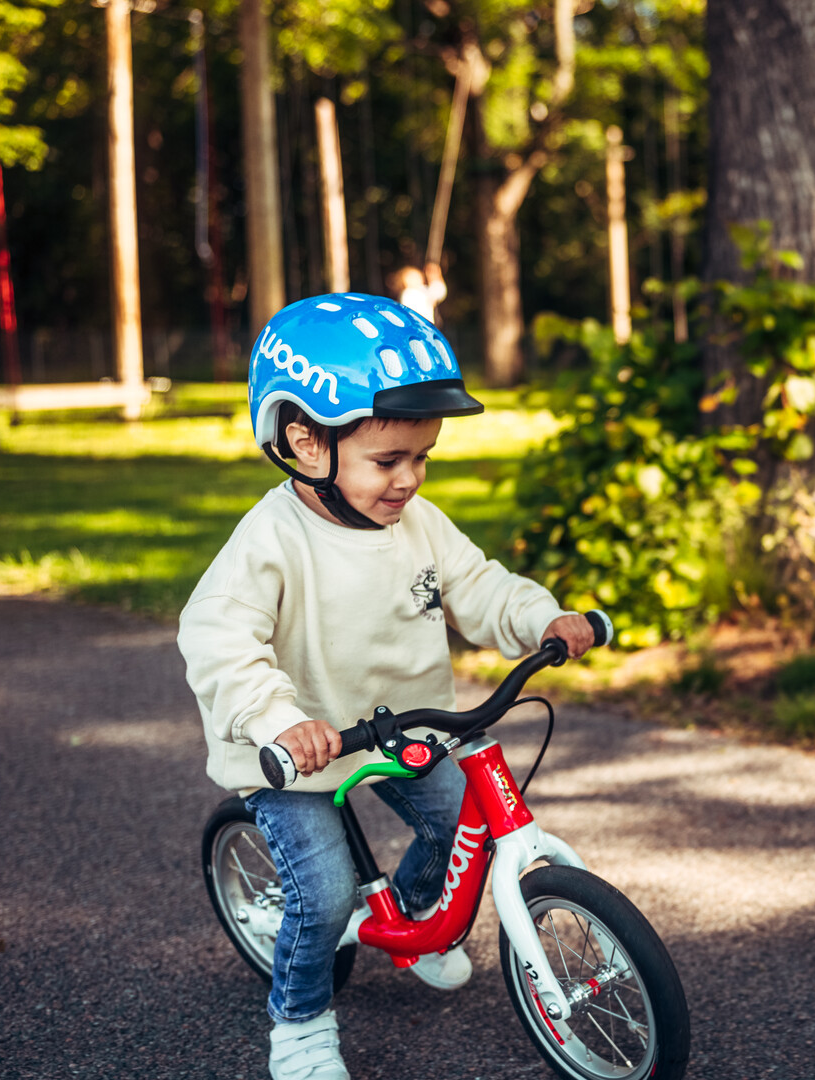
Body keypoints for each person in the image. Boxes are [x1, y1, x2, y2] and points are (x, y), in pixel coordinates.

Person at [179, 294, 594, 1080]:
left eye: (422, 457)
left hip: (405, 726)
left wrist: (544, 616)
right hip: (297, 751)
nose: (409, 479)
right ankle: (298, 1021)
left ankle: (413, 925)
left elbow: (480, 587)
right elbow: (216, 636)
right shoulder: (271, 539)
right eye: (388, 461)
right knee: (326, 896)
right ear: (305, 442)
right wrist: (277, 718)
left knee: (458, 823)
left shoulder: (419, 524)